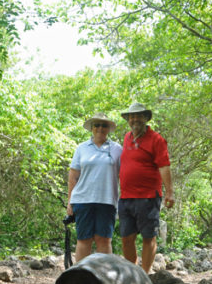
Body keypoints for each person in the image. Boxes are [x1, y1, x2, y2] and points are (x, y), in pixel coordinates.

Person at [118, 102, 174, 273]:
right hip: (126, 197)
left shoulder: (156, 139)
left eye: (138, 116)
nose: (134, 119)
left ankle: (145, 274)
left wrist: (170, 193)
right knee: (127, 238)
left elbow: (164, 166)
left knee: (148, 237)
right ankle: (133, 273)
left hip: (148, 197)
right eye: (131, 116)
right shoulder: (127, 138)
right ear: (128, 119)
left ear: (145, 118)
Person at [66, 112, 123, 262]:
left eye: (104, 125)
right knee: (84, 240)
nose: (100, 128)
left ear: (109, 128)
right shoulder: (82, 148)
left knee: (104, 240)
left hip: (107, 200)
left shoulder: (117, 149)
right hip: (82, 199)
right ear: (92, 128)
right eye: (96, 125)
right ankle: (81, 278)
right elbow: (73, 176)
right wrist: (70, 201)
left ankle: (104, 279)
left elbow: (124, 175)